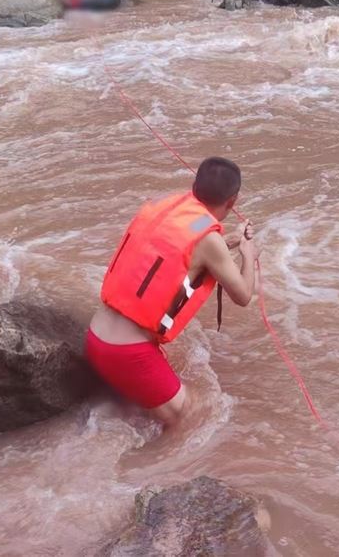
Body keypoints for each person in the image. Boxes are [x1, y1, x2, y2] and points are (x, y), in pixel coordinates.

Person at [85, 156, 259, 426]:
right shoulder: (208, 239)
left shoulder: (166, 209)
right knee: (197, 416)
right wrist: (248, 254)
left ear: (194, 186)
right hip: (125, 354)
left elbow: (183, 252)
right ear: (233, 201)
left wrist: (229, 242)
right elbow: (244, 295)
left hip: (96, 337)